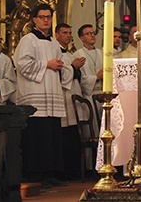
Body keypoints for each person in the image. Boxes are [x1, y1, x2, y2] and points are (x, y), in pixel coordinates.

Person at [13, 3, 71, 187]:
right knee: (37, 134)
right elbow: (22, 64)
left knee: (51, 133)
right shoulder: (28, 40)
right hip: (35, 93)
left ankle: (50, 173)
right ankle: (35, 174)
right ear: (34, 19)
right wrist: (47, 65)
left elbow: (62, 64)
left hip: (52, 93)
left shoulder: (54, 42)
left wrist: (61, 67)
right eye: (42, 17)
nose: (46, 20)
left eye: (49, 17)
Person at [55, 23, 85, 179]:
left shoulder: (70, 54)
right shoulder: (56, 53)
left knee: (73, 133)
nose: (68, 35)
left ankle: (74, 171)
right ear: (57, 35)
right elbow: (61, 76)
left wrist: (76, 69)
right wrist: (73, 67)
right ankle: (65, 172)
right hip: (63, 98)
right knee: (64, 134)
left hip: (73, 96)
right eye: (65, 32)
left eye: (69, 32)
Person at [75, 24, 103, 118]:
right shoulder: (78, 55)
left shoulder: (102, 53)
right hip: (89, 97)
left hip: (104, 95)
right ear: (82, 38)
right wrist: (96, 77)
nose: (92, 35)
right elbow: (79, 80)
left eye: (93, 33)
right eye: (88, 33)